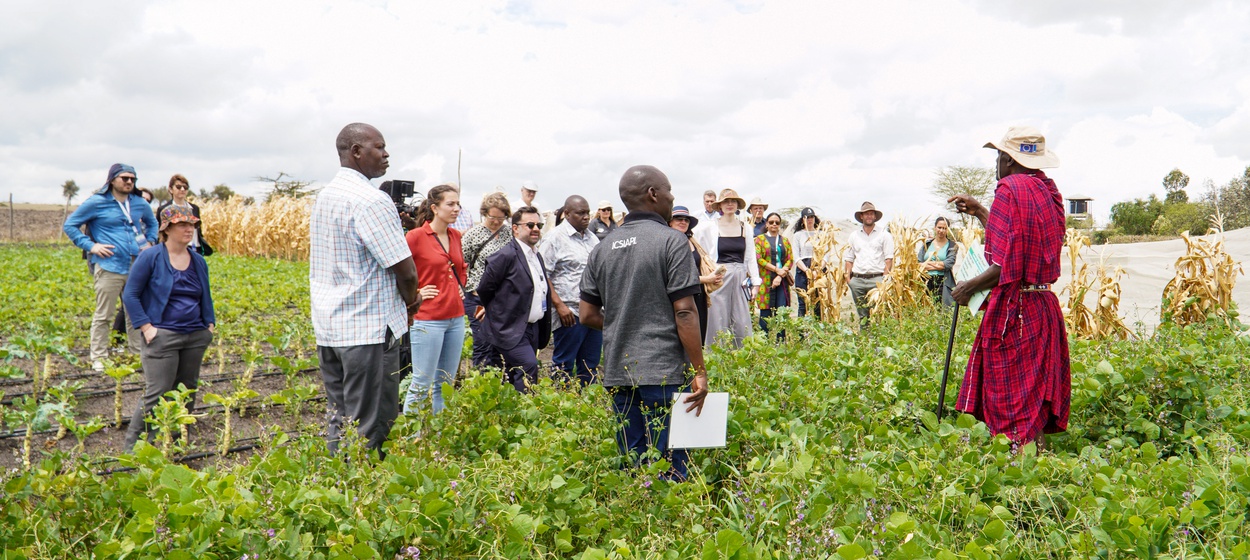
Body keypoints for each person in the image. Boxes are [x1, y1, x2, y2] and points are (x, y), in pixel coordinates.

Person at [580, 165, 709, 481]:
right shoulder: (672, 241)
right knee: (672, 462)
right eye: (669, 190)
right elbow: (685, 312)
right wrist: (699, 371)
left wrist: (624, 324)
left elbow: (587, 315)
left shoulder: (601, 248)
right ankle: (671, 522)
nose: (672, 196)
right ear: (653, 194)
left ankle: (633, 513)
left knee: (631, 464)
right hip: (662, 368)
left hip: (617, 369)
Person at [950, 125, 1070, 446]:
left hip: (1014, 313)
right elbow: (1017, 243)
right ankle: (1036, 464)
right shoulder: (1048, 191)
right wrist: (979, 212)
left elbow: (1006, 264)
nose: (997, 163)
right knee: (1032, 397)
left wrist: (969, 287)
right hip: (1043, 307)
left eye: (1000, 156)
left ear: (1009, 159)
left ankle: (1017, 471)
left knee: (1011, 398)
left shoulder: (1008, 190)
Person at [310, 123, 420, 455]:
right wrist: (410, 305)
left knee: (340, 416)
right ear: (356, 152)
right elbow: (406, 271)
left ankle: (335, 491)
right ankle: (363, 496)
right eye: (379, 147)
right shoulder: (372, 201)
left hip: (331, 327)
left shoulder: (325, 197)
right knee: (372, 423)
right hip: (368, 329)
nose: (386, 154)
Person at [121, 206, 216, 449]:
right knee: (158, 392)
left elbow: (205, 294)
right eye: (182, 224)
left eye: (191, 224)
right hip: (163, 335)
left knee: (187, 390)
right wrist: (147, 327)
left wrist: (209, 324)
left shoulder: (197, 260)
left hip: (195, 335)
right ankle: (135, 448)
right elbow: (130, 294)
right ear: (166, 229)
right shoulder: (150, 256)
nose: (189, 229)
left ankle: (175, 442)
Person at [63, 163, 158, 371]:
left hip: (136, 265)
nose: (129, 182)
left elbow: (152, 223)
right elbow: (70, 225)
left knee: (135, 313)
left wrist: (150, 241)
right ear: (112, 180)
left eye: (132, 179)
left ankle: (136, 354)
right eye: (124, 178)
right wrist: (91, 245)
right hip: (110, 265)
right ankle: (98, 356)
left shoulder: (139, 203)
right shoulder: (97, 202)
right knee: (104, 314)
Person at [402, 184, 467, 414]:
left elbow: (461, 268)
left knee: (446, 384)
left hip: (456, 318)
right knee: (421, 383)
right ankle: (411, 439)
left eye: (458, 203)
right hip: (428, 319)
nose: (456, 208)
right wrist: (417, 293)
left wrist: (462, 286)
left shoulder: (456, 235)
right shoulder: (416, 237)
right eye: (450, 204)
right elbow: (400, 272)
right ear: (434, 208)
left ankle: (441, 439)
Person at [476, 206, 552, 393]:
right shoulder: (505, 255)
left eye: (539, 225)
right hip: (510, 327)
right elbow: (485, 288)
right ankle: (526, 412)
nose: (536, 228)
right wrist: (495, 309)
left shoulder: (536, 255)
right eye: (530, 224)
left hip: (531, 327)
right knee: (528, 365)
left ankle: (512, 415)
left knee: (514, 372)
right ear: (515, 228)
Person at [538, 196, 601, 385]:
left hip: (593, 312)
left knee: (589, 365)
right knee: (564, 365)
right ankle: (560, 405)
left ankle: (585, 407)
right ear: (567, 214)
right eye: (580, 213)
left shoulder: (592, 238)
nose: (585, 217)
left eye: (587, 213)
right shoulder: (554, 238)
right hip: (569, 312)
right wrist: (559, 305)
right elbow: (542, 274)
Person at [694, 188, 760, 347]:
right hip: (719, 277)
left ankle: (743, 357)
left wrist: (756, 282)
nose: (729, 204)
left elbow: (750, 256)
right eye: (726, 202)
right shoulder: (709, 227)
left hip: (741, 277)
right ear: (720, 206)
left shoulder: (746, 228)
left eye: (733, 201)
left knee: (742, 320)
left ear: (737, 205)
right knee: (717, 319)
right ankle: (715, 357)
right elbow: (691, 238)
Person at [462, 192, 513, 368]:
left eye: (502, 218)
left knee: (500, 344)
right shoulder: (473, 235)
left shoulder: (509, 233)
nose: (497, 222)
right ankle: (480, 384)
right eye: (493, 217)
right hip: (478, 297)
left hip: (503, 298)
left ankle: (499, 382)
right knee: (482, 342)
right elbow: (463, 262)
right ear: (484, 213)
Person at [668, 205, 721, 340]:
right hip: (681, 295)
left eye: (686, 220)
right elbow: (677, 276)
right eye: (678, 219)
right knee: (685, 337)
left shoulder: (692, 240)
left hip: (699, 293)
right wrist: (705, 279)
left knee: (700, 334)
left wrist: (712, 276)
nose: (683, 222)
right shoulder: (668, 243)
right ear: (669, 222)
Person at [843, 201, 894, 328]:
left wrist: (884, 279)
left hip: (876, 280)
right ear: (861, 216)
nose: (869, 216)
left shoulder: (884, 235)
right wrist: (849, 279)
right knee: (862, 316)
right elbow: (849, 258)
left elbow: (889, 259)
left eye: (871, 214)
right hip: (858, 280)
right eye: (866, 214)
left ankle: (877, 344)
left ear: (875, 216)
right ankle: (865, 343)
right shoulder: (854, 236)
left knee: (877, 314)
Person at [156, 174, 214, 256]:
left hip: (195, 249)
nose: (182, 189)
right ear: (170, 189)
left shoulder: (194, 208)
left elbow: (197, 230)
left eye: (185, 187)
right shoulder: (164, 209)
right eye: (178, 187)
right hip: (173, 249)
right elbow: (160, 232)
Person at [755, 212, 793, 334]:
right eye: (771, 222)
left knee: (781, 311)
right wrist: (776, 270)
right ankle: (764, 343)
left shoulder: (785, 241)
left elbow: (790, 260)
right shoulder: (759, 240)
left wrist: (780, 275)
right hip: (765, 280)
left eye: (777, 222)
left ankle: (781, 343)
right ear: (767, 224)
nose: (774, 224)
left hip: (782, 281)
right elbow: (759, 259)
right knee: (765, 313)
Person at [791, 207, 822, 318]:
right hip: (803, 270)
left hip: (818, 270)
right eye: (807, 217)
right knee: (803, 303)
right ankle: (801, 333)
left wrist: (818, 270)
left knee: (818, 303)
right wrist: (807, 271)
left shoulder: (821, 234)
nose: (810, 220)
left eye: (812, 217)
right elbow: (796, 256)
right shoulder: (798, 235)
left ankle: (818, 331)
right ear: (802, 219)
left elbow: (825, 256)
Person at [919, 216, 957, 306]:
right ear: (935, 227)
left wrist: (927, 263)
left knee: (941, 309)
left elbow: (948, 264)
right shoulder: (926, 244)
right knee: (925, 308)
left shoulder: (952, 246)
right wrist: (939, 265)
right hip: (925, 281)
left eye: (945, 228)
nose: (941, 230)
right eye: (939, 227)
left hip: (942, 282)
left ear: (948, 230)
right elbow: (918, 264)